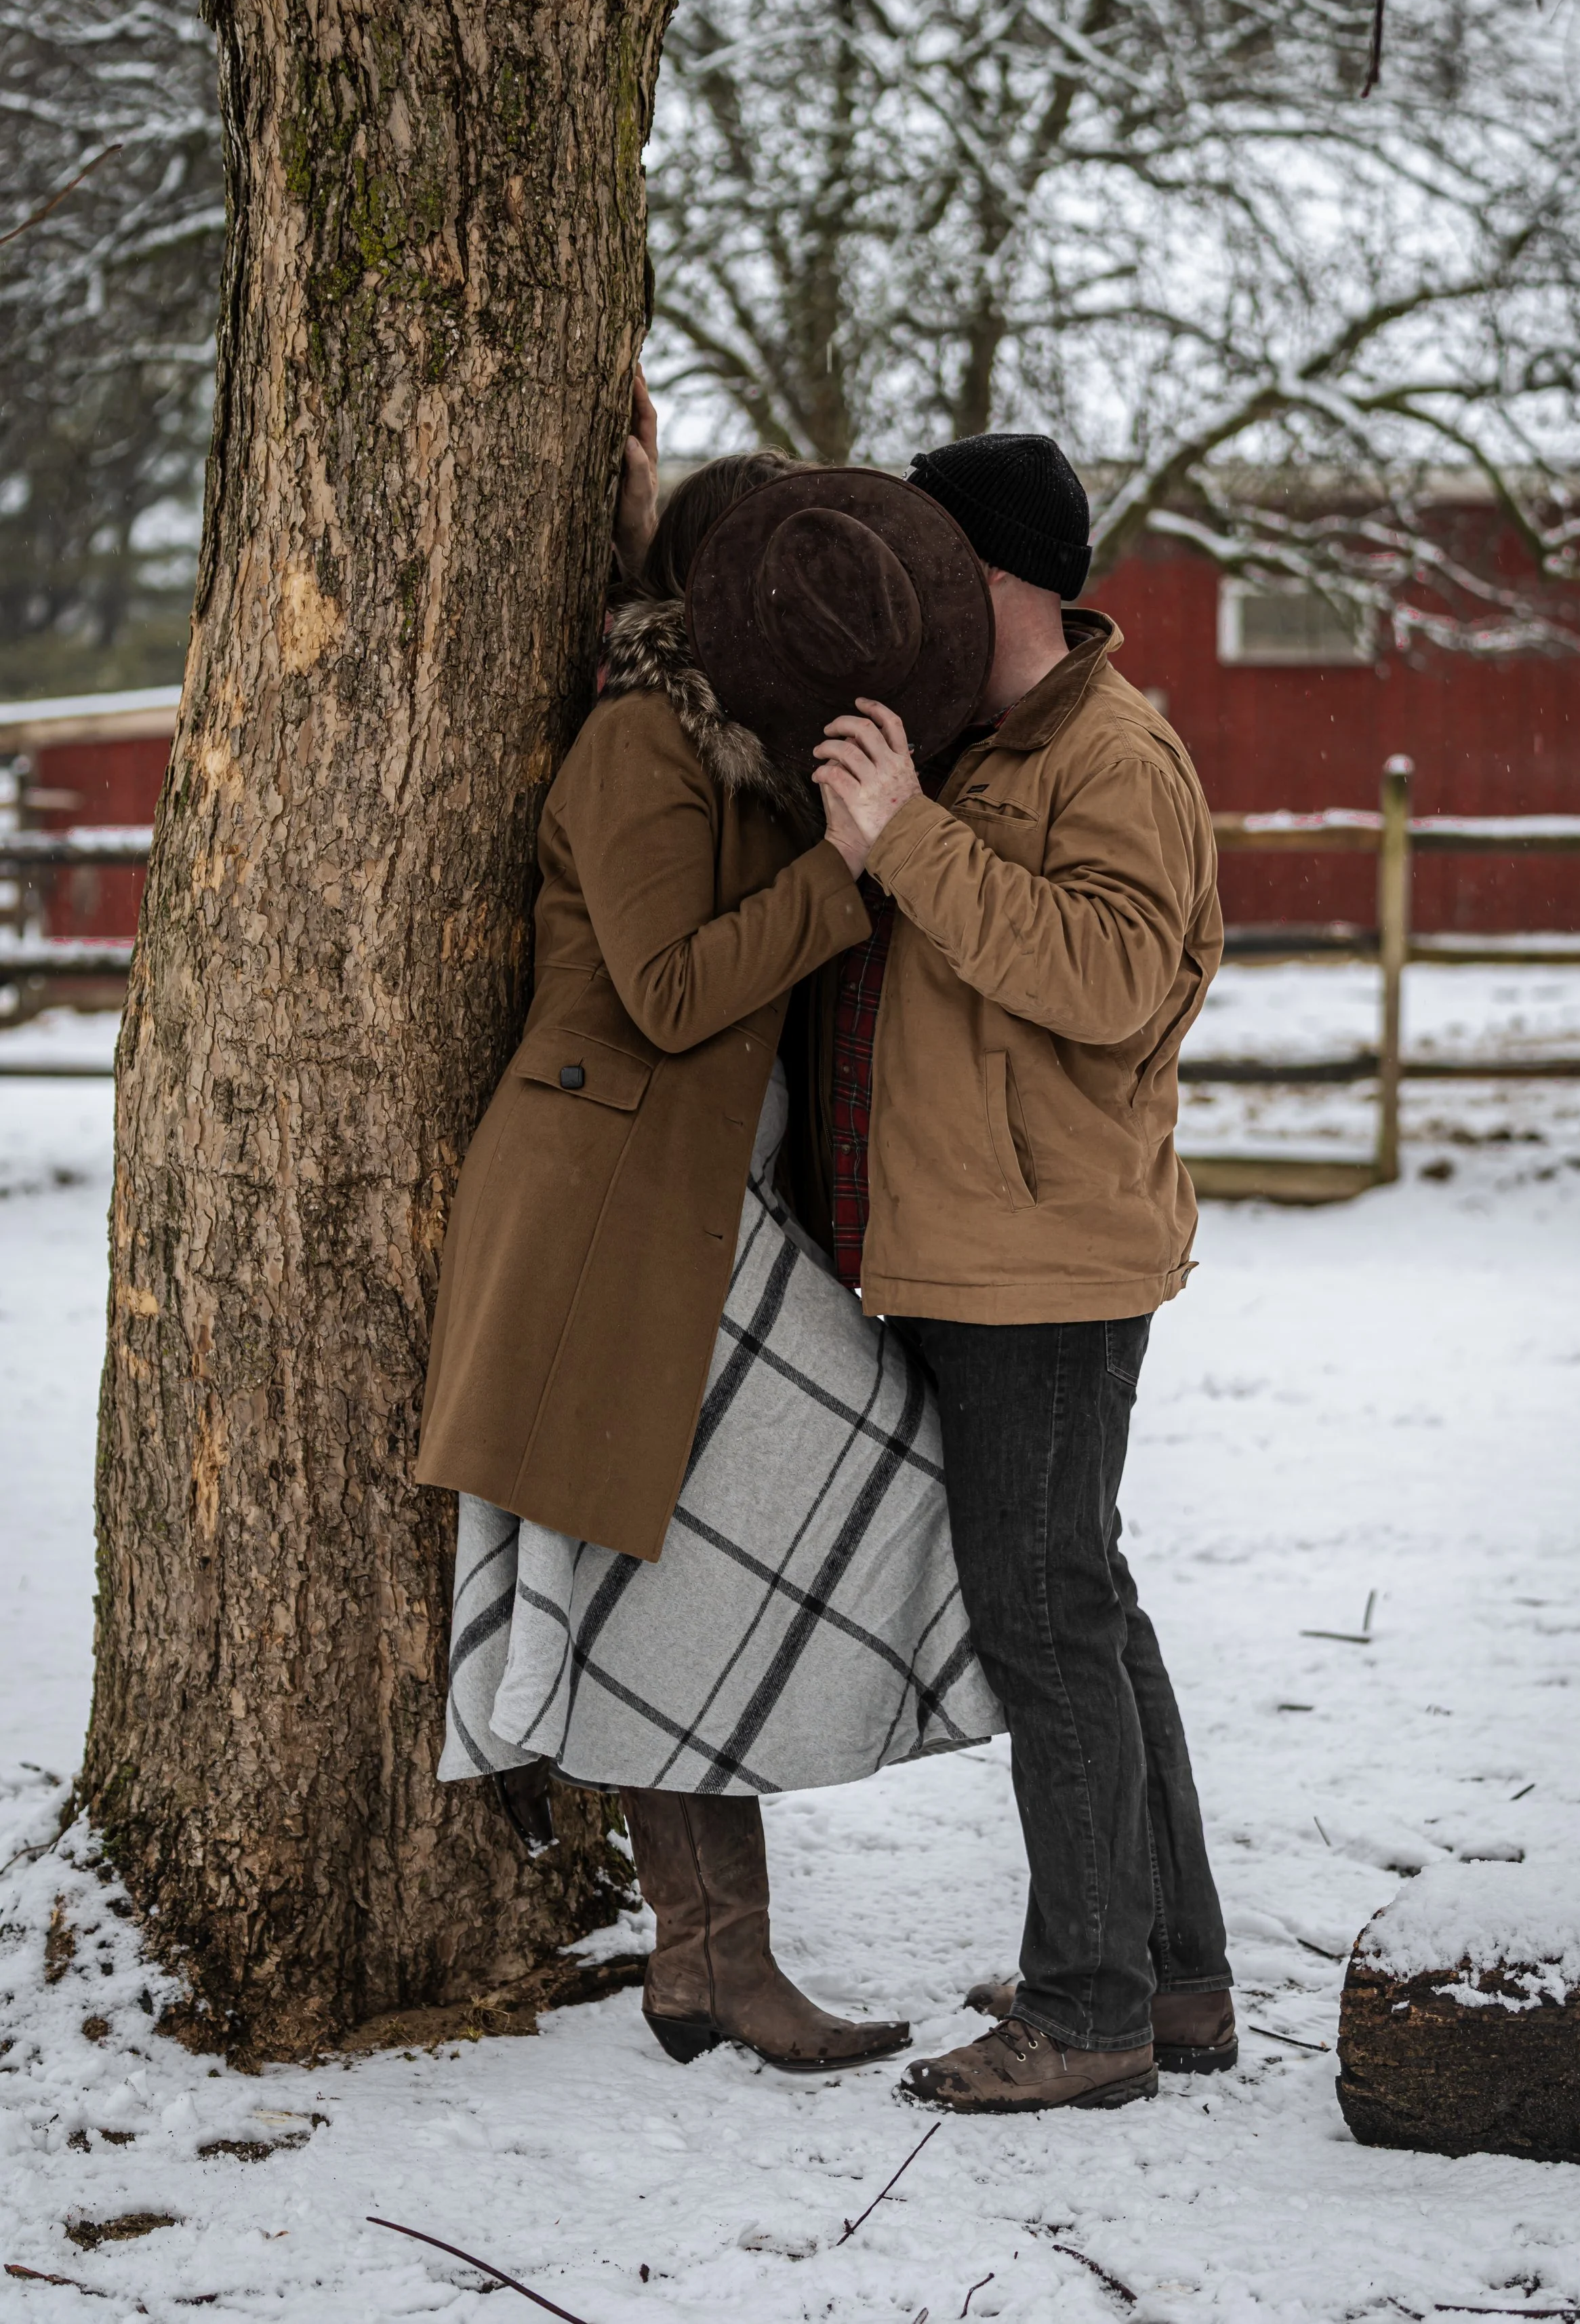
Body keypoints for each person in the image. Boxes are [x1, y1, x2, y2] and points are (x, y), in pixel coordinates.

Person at [413, 424, 1003, 2073]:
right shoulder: (638, 747)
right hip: (607, 1214)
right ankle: (713, 1959)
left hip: (708, 1209)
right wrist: (846, 875)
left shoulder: (739, 733)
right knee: (705, 1545)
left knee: (735, 1538)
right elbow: (670, 990)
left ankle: (699, 1967)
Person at [796, 430, 1236, 2115]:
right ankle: (1167, 1981)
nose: (902, 597)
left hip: (1044, 1267)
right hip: (990, 1248)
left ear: (997, 580)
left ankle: (1086, 2010)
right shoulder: (991, 743)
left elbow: (1113, 977)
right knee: (1084, 1614)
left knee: (1046, 1623)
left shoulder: (1109, 755)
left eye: (926, 567)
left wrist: (906, 836)